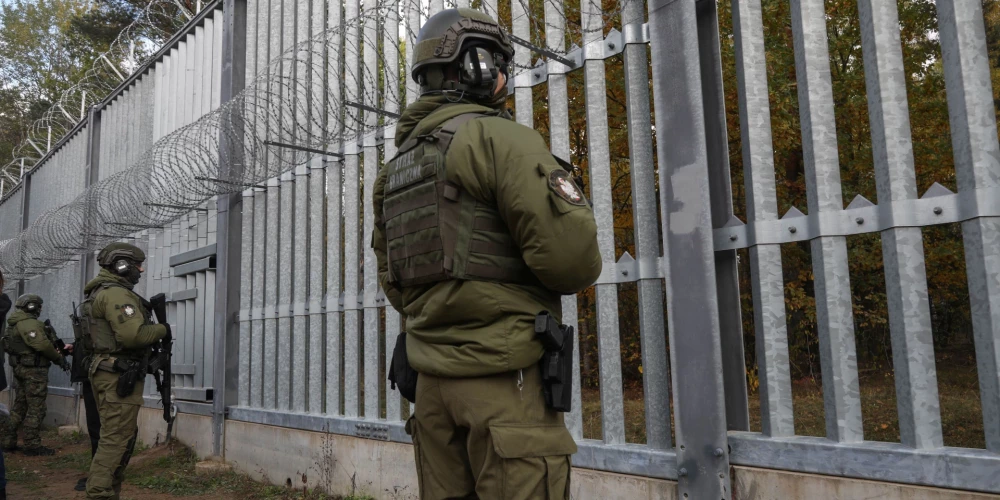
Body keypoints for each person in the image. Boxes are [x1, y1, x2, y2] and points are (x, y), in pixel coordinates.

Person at [372, 8, 602, 498]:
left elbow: (395, 284)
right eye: (496, 63)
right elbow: (573, 262)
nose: (502, 76)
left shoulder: (394, 171)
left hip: (432, 391)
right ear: (473, 66)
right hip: (504, 388)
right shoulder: (501, 141)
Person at [82, 242, 169, 499]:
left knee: (120, 436)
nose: (141, 270)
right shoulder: (116, 294)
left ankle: (108, 491)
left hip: (110, 373)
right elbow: (133, 336)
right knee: (116, 438)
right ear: (121, 266)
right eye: (137, 265)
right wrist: (164, 329)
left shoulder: (102, 291)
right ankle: (99, 493)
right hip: (117, 375)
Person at [0, 293, 70, 456]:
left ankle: (7, 441)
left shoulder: (14, 323)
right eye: (39, 306)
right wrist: (59, 359)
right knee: (36, 407)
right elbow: (42, 345)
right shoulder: (29, 324)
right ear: (32, 306)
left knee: (20, 406)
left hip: (20, 368)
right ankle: (32, 444)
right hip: (33, 371)